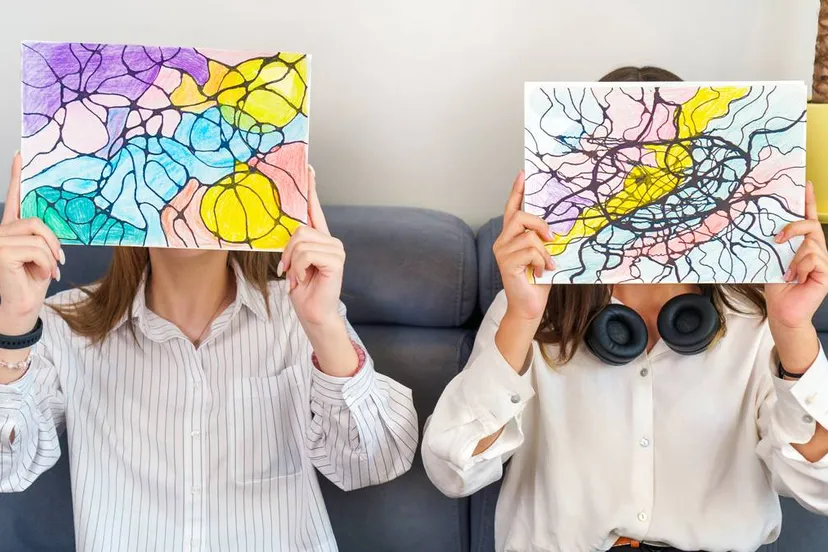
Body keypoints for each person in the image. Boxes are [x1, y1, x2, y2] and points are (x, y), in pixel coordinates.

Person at [422, 67, 828, 552]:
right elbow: (452, 470)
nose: (646, 189)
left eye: (668, 167)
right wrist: (522, 321)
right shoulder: (534, 305)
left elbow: (818, 488)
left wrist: (793, 330)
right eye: (624, 168)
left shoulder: (757, 317)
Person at [0, 154, 418, 551]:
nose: (185, 190)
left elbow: (375, 462)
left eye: (206, 163)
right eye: (164, 169)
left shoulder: (301, 314)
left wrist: (324, 326)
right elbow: (7, 468)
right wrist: (14, 321)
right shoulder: (60, 326)